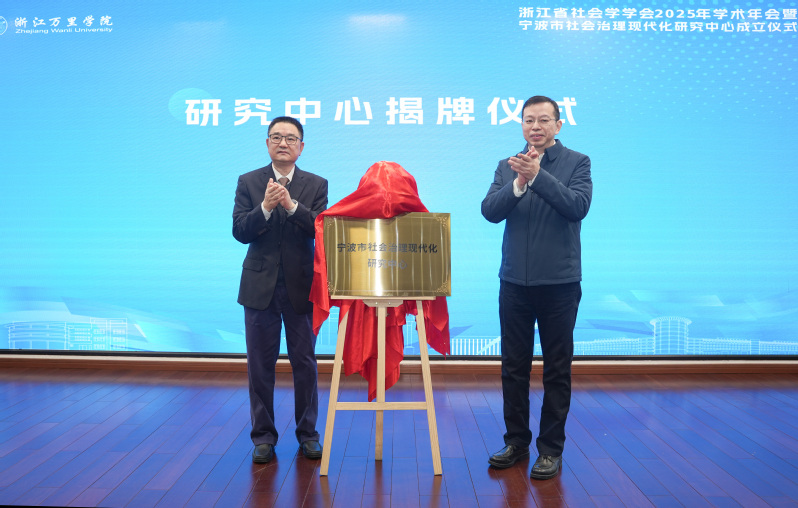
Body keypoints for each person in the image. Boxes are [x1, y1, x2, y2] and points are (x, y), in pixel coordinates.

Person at [481, 96, 592, 480]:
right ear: (522, 125)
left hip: (559, 284)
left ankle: (550, 450)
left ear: (558, 125)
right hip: (514, 282)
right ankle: (516, 442)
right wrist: (518, 182)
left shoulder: (577, 162)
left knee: (556, 369)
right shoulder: (508, 165)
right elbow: (490, 211)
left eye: (544, 120)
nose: (536, 127)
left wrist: (538, 176)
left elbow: (577, 206)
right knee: (514, 367)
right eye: (529, 120)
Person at [232, 116, 328, 464]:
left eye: (290, 138)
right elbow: (240, 231)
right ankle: (263, 437)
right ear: (267, 143)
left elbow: (320, 230)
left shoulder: (316, 184)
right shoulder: (249, 181)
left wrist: (290, 206)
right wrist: (265, 208)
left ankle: (308, 434)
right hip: (260, 288)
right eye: (276, 137)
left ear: (301, 147)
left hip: (302, 287)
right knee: (260, 364)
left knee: (305, 363)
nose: (283, 143)